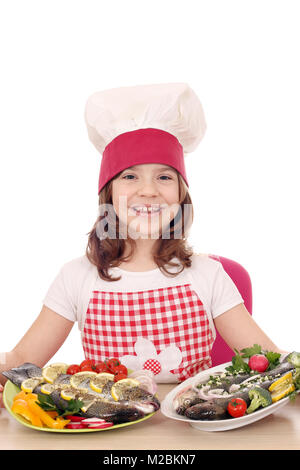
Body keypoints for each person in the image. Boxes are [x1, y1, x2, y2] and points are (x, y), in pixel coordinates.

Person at [0, 83, 284, 406]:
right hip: (106, 434)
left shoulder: (209, 275)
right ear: (108, 193)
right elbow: (22, 358)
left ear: (180, 195)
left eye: (164, 177)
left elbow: (270, 360)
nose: (148, 191)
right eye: (130, 177)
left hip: (194, 436)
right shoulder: (76, 278)